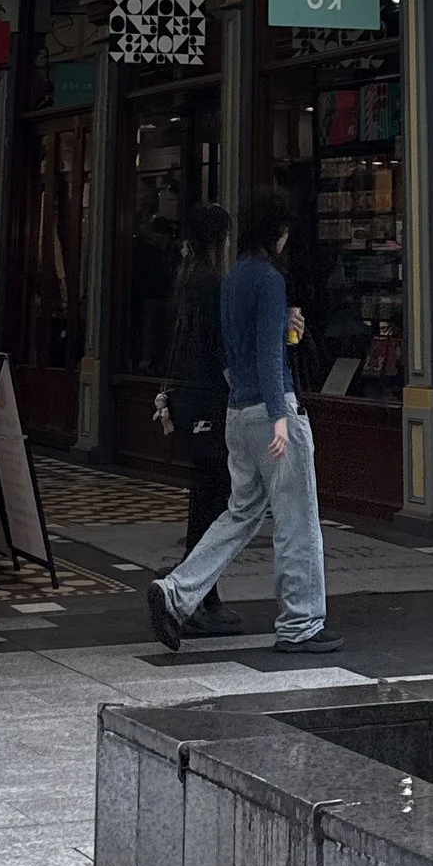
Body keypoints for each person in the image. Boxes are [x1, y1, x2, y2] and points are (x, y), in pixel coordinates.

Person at [144, 189, 336, 659]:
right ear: (280, 234)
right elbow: (272, 358)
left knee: (240, 513)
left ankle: (176, 590)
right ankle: (301, 622)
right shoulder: (270, 279)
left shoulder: (231, 279)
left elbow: (235, 352)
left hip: (236, 412)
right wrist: (279, 417)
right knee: (297, 518)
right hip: (272, 410)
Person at [159, 201, 233, 626]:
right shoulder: (211, 284)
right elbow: (218, 349)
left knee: (204, 497)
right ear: (220, 241)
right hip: (210, 402)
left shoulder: (186, 280)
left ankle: (200, 591)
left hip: (188, 400)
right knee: (214, 501)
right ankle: (192, 592)